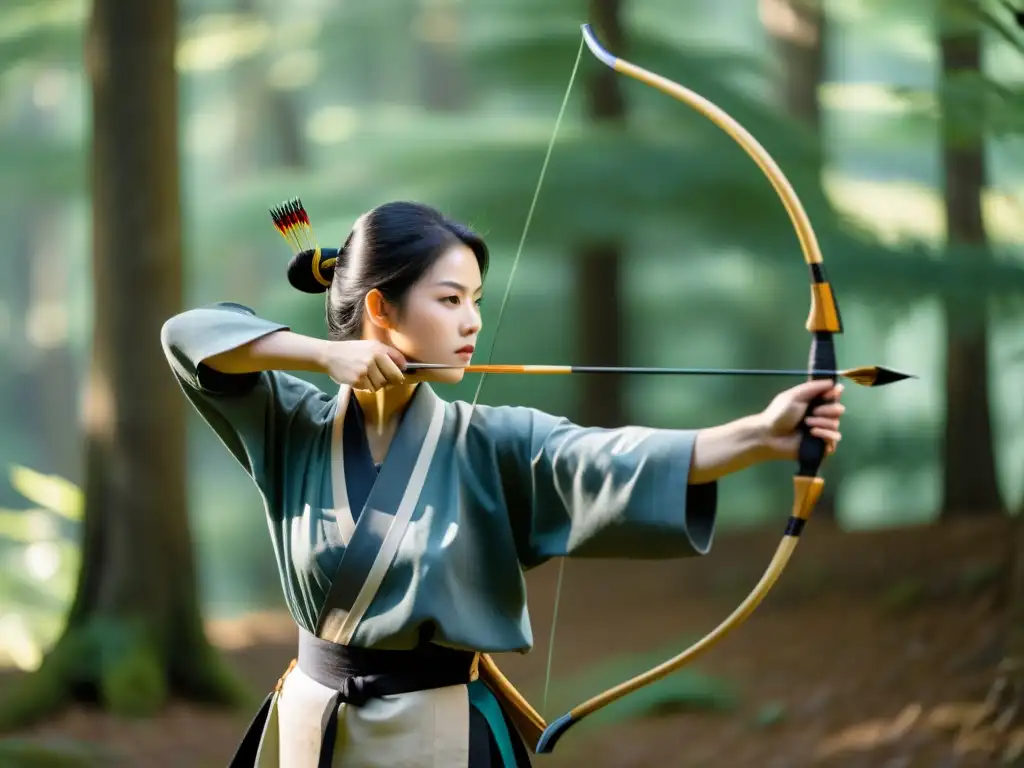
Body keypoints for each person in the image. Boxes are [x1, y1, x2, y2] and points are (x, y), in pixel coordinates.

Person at [160, 200, 844, 767]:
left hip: (438, 739)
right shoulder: (292, 424)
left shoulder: (490, 441)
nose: (472, 323)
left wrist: (760, 435)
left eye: (476, 301)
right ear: (381, 310)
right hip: (311, 733)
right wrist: (321, 353)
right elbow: (188, 334)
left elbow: (606, 459)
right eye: (451, 299)